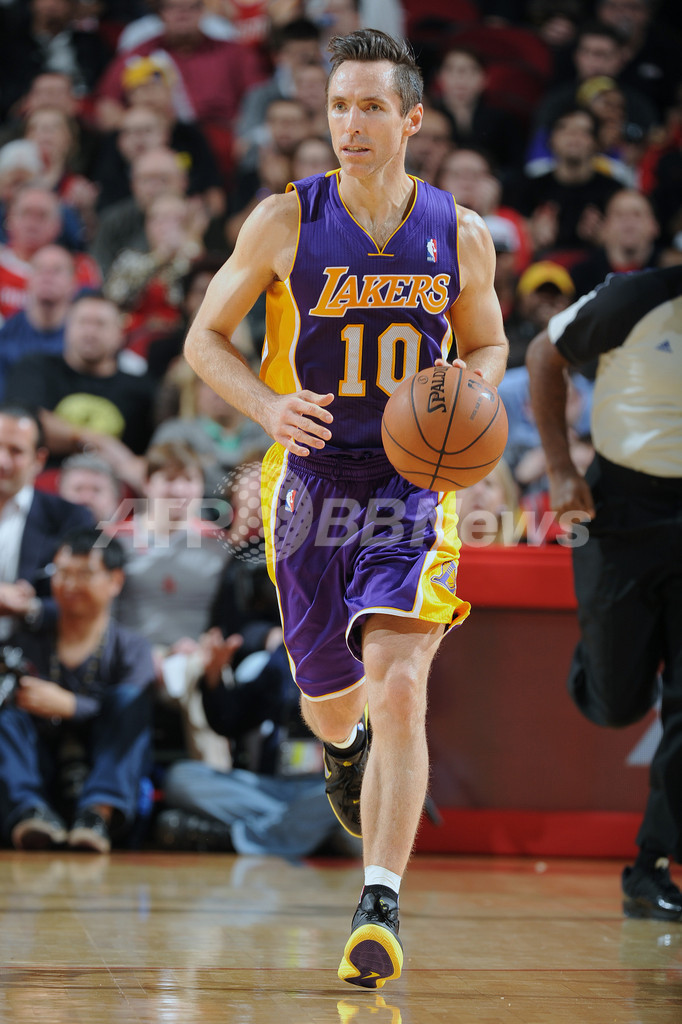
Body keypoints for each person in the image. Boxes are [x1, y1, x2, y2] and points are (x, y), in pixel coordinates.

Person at [184, 29, 508, 989]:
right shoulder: (284, 220)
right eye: (338, 106)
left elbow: (490, 344)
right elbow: (205, 339)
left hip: (413, 484)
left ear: (412, 119)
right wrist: (267, 407)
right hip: (310, 482)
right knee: (330, 701)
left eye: (371, 106)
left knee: (399, 682)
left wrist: (467, 392)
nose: (350, 123)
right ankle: (344, 750)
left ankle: (379, 900)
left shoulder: (460, 231)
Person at [525, 265, 682, 920]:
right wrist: (562, 467)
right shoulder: (634, 297)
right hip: (621, 508)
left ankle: (652, 865)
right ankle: (606, 651)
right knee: (617, 701)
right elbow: (543, 355)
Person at [0, 526, 155, 853]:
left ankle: (97, 815)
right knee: (7, 716)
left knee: (130, 702)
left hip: (103, 764)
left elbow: (130, 717)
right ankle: (30, 813)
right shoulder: (26, 641)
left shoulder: (132, 648)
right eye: (62, 573)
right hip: (42, 765)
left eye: (84, 574)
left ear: (115, 581)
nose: (69, 585)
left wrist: (72, 706)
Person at [0, 403, 93, 644]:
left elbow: (88, 599)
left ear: (39, 459)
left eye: (15, 451)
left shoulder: (70, 518)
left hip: (34, 653)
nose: (2, 461)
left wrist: (31, 607)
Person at [0, 244, 76, 400]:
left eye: (57, 270)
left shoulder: (82, 335)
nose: (47, 277)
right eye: (39, 269)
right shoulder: (8, 332)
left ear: (73, 283)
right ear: (28, 280)